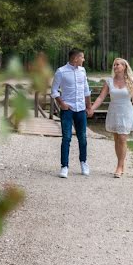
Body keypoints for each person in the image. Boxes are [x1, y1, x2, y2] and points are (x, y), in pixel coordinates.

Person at [88, 57, 133, 177]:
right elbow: (101, 97)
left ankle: (119, 166)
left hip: (127, 112)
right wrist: (92, 108)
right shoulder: (109, 81)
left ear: (124, 67)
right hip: (114, 111)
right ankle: (121, 163)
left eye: (118, 65)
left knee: (122, 138)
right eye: (114, 65)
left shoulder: (131, 82)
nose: (115, 66)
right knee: (116, 139)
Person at [50, 48, 91, 178]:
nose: (83, 60)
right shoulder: (61, 72)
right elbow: (54, 91)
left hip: (81, 109)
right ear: (75, 58)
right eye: (82, 57)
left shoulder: (83, 71)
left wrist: (89, 107)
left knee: (83, 138)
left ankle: (83, 162)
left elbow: (86, 90)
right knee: (66, 138)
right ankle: (64, 166)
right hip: (68, 110)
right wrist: (62, 103)